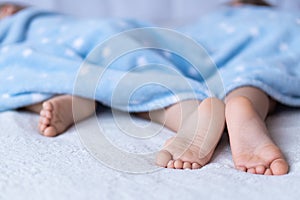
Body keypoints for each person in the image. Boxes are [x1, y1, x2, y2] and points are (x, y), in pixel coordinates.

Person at [0, 0, 295, 175]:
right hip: (278, 40)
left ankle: (187, 113)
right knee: (258, 72)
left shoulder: (24, 24)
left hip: (107, 41)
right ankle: (243, 102)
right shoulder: (281, 20)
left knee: (18, 66)